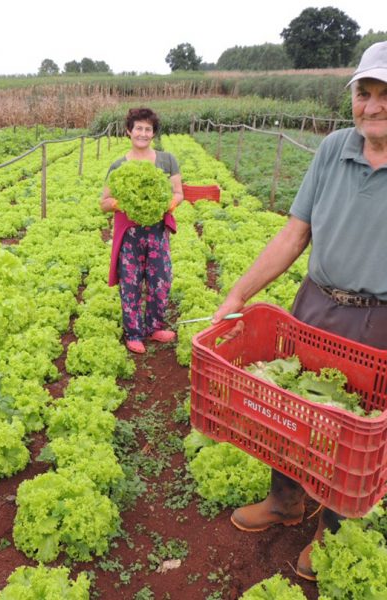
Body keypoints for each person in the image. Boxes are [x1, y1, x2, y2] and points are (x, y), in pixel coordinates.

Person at [212, 40, 387, 581]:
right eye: (364, 92)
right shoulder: (335, 148)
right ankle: (285, 499)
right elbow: (294, 235)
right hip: (313, 303)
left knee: (347, 433)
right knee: (287, 410)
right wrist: (239, 293)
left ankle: (329, 531)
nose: (373, 106)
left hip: (375, 321)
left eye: (385, 93)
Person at [101, 107, 183, 354]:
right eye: (139, 128)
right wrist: (121, 203)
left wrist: (169, 203)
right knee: (131, 283)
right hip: (130, 235)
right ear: (129, 131)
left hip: (157, 231)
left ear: (154, 133)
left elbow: (179, 192)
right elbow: (104, 203)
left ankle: (155, 327)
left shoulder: (167, 160)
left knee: (161, 279)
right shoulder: (118, 166)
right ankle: (133, 333)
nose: (143, 133)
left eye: (148, 129)